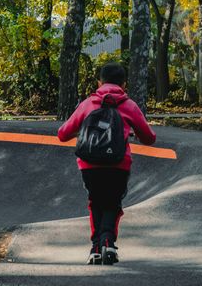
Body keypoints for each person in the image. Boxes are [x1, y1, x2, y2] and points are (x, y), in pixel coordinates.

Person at [57, 62, 157, 265]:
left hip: (89, 164)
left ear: (99, 82)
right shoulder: (129, 105)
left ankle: (96, 248)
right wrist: (133, 132)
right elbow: (149, 138)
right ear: (124, 84)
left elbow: (62, 134)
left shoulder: (87, 104)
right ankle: (108, 243)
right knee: (112, 203)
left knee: (95, 202)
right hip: (118, 164)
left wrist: (81, 131)